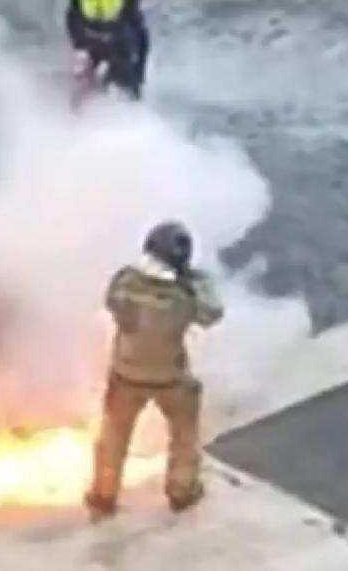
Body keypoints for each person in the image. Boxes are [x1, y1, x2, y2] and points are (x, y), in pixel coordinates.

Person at [85, 221, 223, 519]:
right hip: (170, 377)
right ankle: (182, 492)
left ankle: (103, 494)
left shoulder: (124, 283)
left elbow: (112, 303)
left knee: (113, 434)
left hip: (125, 373)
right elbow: (211, 314)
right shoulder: (184, 296)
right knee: (184, 434)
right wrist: (197, 282)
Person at [66, 0, 150, 99]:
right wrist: (80, 42)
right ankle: (76, 113)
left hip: (120, 37)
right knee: (81, 75)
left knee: (126, 74)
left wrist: (111, 38)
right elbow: (73, 15)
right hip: (89, 35)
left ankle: (131, 101)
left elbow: (129, 17)